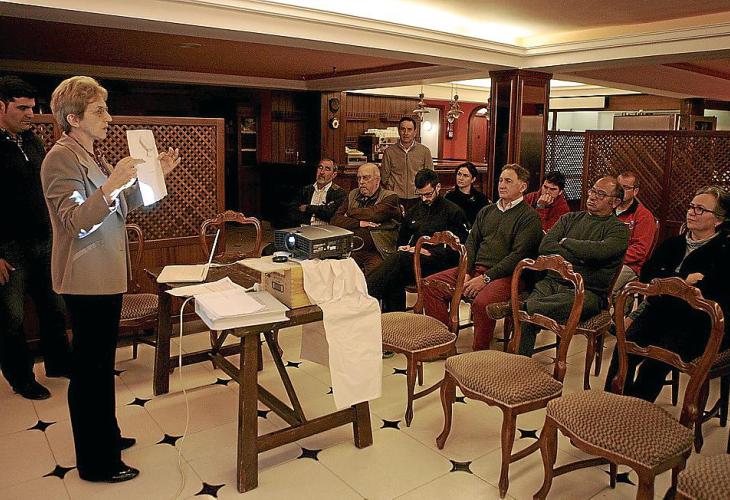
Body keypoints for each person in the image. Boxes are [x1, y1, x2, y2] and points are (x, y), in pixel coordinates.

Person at [41, 76, 180, 483]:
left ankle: (108, 435)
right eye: (99, 111)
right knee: (89, 371)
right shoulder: (60, 159)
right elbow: (75, 223)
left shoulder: (93, 155)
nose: (109, 117)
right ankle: (95, 461)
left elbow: (123, 206)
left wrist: (156, 176)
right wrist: (112, 184)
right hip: (85, 279)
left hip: (105, 275)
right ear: (73, 118)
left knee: (103, 366)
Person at [605, 186, 730, 402]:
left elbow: (712, 291)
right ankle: (610, 402)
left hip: (699, 323)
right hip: (660, 312)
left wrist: (665, 283)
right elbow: (647, 274)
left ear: (718, 220)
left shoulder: (724, 251)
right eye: (691, 207)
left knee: (656, 362)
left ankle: (633, 412)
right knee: (624, 348)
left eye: (700, 209)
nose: (691, 212)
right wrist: (684, 281)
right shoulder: (674, 243)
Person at [0, 76, 71, 400]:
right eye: (22, 108)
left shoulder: (32, 142)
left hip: (44, 241)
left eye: (32, 107)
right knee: (11, 318)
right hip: (8, 249)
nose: (31, 114)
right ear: (1, 107)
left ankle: (60, 363)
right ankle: (21, 379)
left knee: (54, 308)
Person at [424, 164, 542, 350]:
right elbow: (471, 243)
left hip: (508, 276)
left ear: (523, 187)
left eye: (508, 181)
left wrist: (486, 278)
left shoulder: (529, 217)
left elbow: (517, 256)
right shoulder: (487, 211)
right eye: (500, 180)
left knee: (482, 303)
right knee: (430, 285)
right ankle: (443, 343)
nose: (501, 185)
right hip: (475, 269)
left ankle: (479, 353)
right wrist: (466, 271)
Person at [517, 176, 629, 356]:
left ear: (615, 202)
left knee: (529, 309)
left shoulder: (619, 229)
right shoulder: (569, 218)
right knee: (533, 310)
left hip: (586, 291)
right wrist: (582, 258)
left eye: (601, 194)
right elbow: (545, 246)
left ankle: (529, 308)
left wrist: (566, 241)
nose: (592, 196)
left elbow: (599, 253)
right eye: (592, 191)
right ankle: (521, 362)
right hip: (552, 282)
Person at [366, 168, 468, 313]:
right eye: (420, 195)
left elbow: (460, 249)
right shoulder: (414, 210)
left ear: (438, 187)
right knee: (393, 275)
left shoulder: (453, 212)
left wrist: (427, 251)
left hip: (439, 262)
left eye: (428, 194)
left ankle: (364, 295)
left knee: (397, 261)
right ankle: (395, 319)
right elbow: (402, 237)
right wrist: (405, 247)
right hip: (413, 260)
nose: (424, 199)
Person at [330, 163, 401, 276]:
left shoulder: (390, 197)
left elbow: (374, 214)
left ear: (377, 180)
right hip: (353, 249)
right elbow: (335, 220)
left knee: (373, 278)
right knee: (340, 272)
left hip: (378, 250)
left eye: (366, 178)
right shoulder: (353, 194)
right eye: (359, 178)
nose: (361, 182)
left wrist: (350, 212)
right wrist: (359, 223)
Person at [612, 171, 657, 302]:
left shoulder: (644, 215)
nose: (621, 191)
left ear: (635, 191)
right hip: (605, 259)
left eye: (626, 188)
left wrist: (612, 257)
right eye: (618, 187)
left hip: (629, 265)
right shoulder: (607, 209)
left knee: (605, 286)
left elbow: (640, 250)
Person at [380, 116, 433, 210]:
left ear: (415, 132)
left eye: (409, 129)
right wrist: (392, 190)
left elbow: (430, 175)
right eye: (403, 129)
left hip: (418, 197)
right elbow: (384, 178)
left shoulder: (425, 151)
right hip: (395, 197)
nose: (406, 133)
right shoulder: (389, 152)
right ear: (398, 131)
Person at [285, 158, 345, 227]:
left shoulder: (339, 193)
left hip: (326, 229)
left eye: (327, 169)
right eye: (320, 167)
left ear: (334, 175)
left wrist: (307, 208)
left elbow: (330, 212)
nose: (322, 172)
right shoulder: (306, 190)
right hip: (303, 227)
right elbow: (292, 209)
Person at [444, 161, 489, 226]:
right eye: (459, 174)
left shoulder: (481, 198)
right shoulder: (449, 197)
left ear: (473, 179)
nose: (461, 178)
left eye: (465, 175)